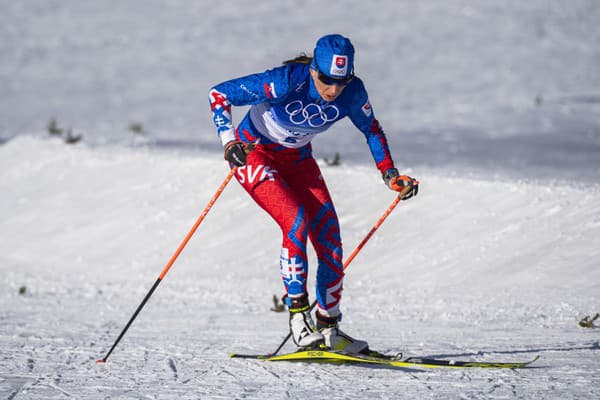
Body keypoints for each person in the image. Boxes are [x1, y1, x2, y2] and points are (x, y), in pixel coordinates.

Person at [208, 34, 418, 353]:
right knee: (296, 222)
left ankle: (329, 327)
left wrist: (390, 174)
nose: (333, 91)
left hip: (298, 159)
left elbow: (371, 129)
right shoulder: (285, 81)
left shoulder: (353, 92)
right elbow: (219, 94)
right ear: (313, 70)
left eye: (342, 82)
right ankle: (298, 320)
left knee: (330, 240)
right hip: (255, 153)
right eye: (326, 80)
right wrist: (228, 142)